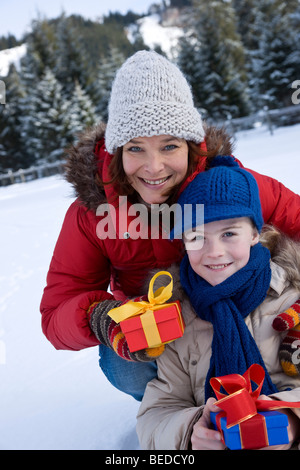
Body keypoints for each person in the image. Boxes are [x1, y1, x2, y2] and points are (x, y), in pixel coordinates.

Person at [40, 50, 300, 402]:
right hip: (161, 332)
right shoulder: (93, 212)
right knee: (122, 366)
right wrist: (99, 316)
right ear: (117, 151)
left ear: (191, 146)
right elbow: (57, 311)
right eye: (136, 148)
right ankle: (172, 405)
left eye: (169, 146)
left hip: (244, 308)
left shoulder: (227, 186)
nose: (153, 167)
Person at [136, 157, 300, 450]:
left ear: (254, 234)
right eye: (197, 237)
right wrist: (191, 429)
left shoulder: (290, 299)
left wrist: (290, 419)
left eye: (228, 233)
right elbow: (156, 412)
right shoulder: (179, 318)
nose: (214, 252)